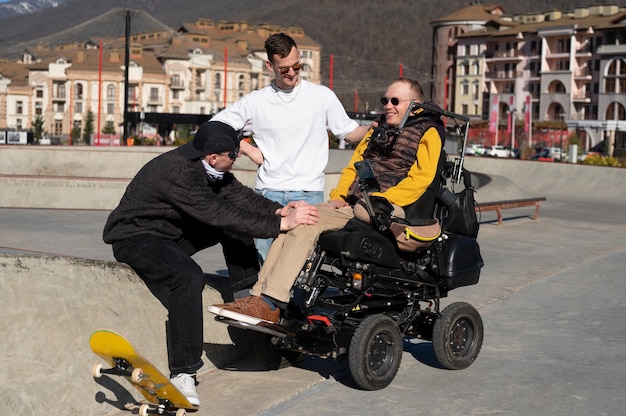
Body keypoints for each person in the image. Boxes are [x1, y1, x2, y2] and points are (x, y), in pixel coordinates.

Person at [102, 121, 319, 406]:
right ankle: (183, 373)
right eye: (234, 155)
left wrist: (277, 209)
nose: (237, 158)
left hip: (171, 234)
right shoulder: (179, 172)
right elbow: (219, 213)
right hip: (136, 237)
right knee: (189, 277)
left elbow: (238, 196)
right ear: (214, 157)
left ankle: (248, 298)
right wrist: (280, 223)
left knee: (235, 225)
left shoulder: (210, 165)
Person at [209, 78, 445, 324]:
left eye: (395, 101)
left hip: (388, 209)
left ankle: (272, 302)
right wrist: (339, 197)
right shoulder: (378, 129)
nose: (388, 106)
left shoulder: (428, 131)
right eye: (385, 100)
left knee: (307, 227)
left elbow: (421, 179)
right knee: (294, 221)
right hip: (356, 205)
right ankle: (259, 297)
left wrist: (380, 200)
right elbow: (354, 167)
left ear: (415, 105)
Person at [211, 32, 372, 261]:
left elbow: (349, 132)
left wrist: (371, 128)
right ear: (270, 66)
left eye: (297, 65)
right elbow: (214, 126)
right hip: (268, 195)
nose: (293, 73)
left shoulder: (321, 96)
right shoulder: (256, 101)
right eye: (285, 68)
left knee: (303, 270)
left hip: (308, 193)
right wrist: (246, 148)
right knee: (267, 266)